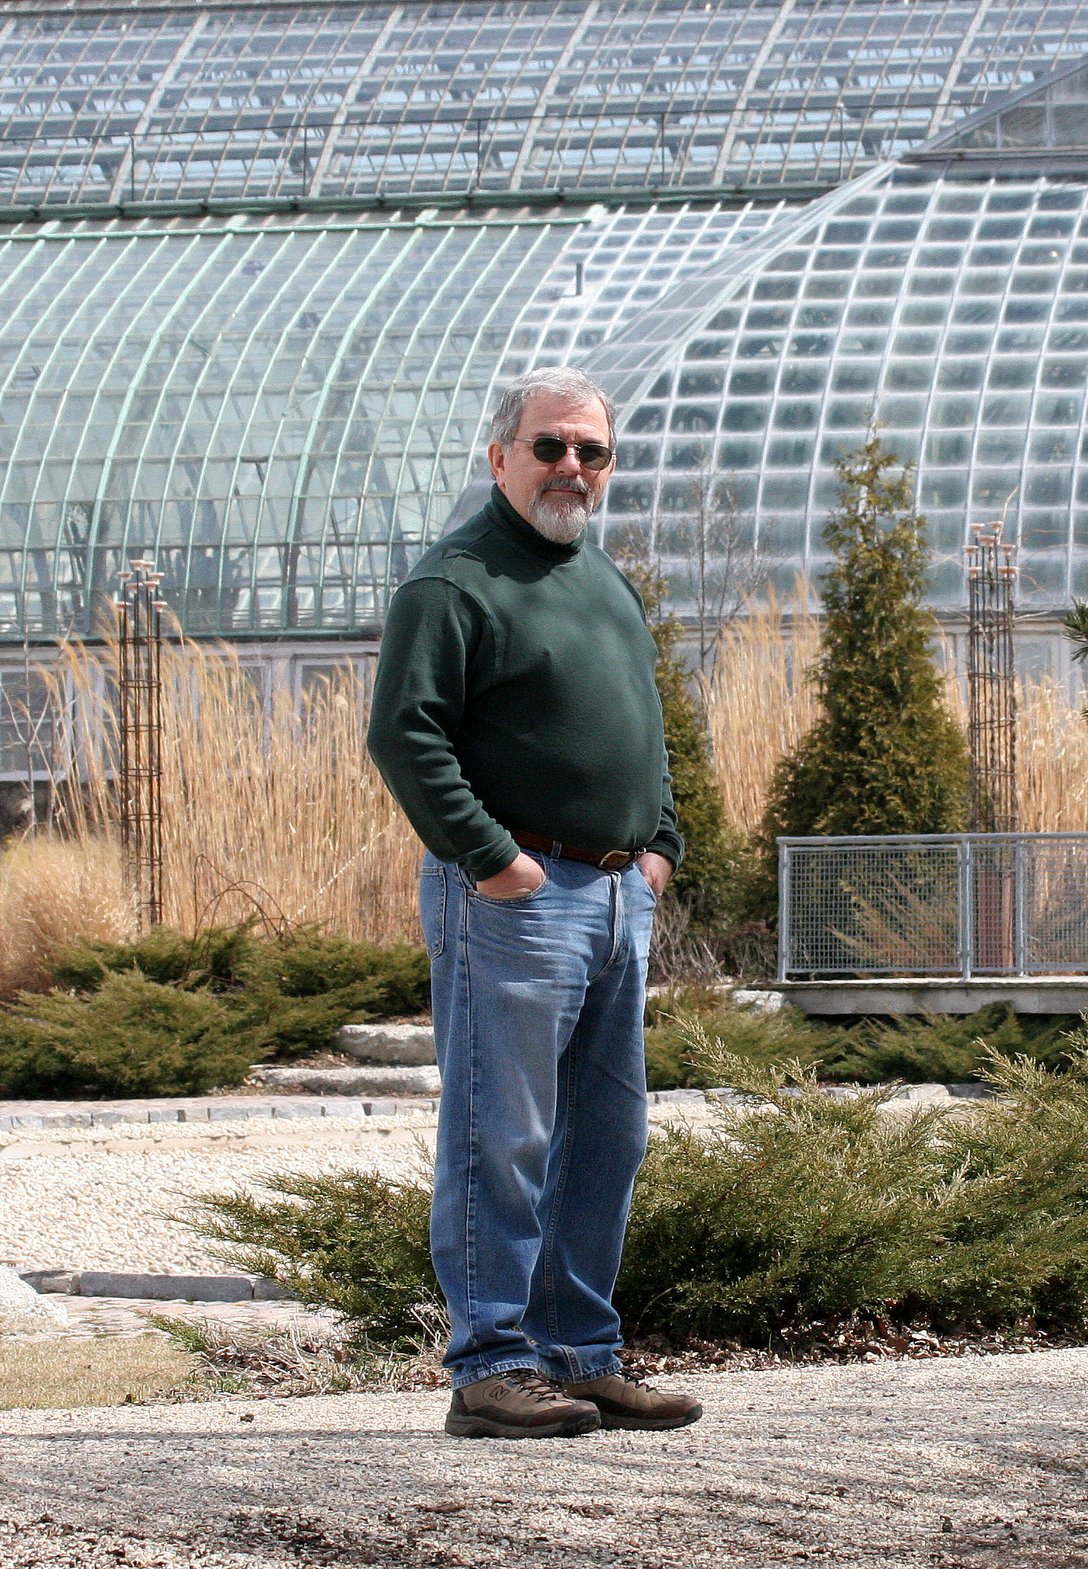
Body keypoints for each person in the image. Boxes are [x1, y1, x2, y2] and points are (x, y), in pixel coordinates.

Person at [366, 366, 703, 1442]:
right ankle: (493, 1364)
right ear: (499, 457)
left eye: (591, 452)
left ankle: (578, 1353)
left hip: (614, 898)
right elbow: (404, 735)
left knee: (607, 1136)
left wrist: (658, 845)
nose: (572, 468)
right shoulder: (453, 584)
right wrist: (489, 857)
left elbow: (647, 726)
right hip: (515, 896)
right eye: (550, 446)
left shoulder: (601, 581)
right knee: (501, 1134)